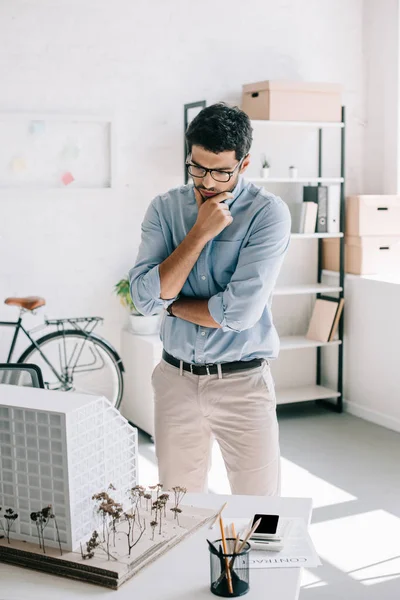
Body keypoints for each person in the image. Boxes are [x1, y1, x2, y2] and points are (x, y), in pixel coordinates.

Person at [129, 103, 291, 495]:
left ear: (244, 163)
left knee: (260, 509)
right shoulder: (165, 209)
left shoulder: (268, 214)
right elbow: (143, 298)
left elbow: (237, 313)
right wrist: (199, 233)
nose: (207, 181)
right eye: (197, 167)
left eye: (221, 171)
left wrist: (175, 303)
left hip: (242, 382)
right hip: (175, 380)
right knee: (175, 508)